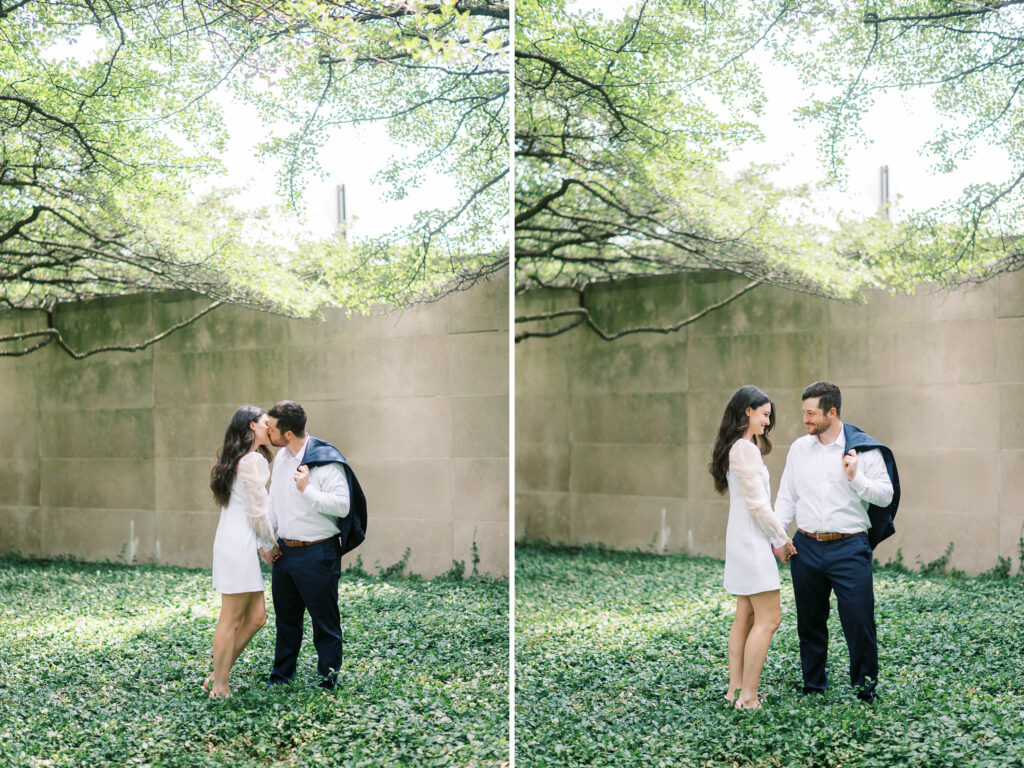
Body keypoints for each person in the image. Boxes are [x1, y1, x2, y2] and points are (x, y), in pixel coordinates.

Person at [774, 381, 898, 703]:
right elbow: (787, 498)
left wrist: (857, 477)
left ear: (832, 412)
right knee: (810, 624)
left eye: (811, 413)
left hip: (850, 547)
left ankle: (865, 691)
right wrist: (778, 537)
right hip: (806, 547)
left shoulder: (863, 450)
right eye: (803, 412)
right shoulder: (799, 449)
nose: (805, 419)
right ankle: (814, 687)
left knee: (859, 622)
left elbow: (886, 496)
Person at [709, 385, 796, 710]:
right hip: (753, 543)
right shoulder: (744, 449)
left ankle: (735, 691)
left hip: (743, 541)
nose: (767, 422)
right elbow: (758, 506)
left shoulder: (737, 448)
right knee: (770, 619)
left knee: (745, 615)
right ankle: (748, 697)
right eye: (764, 414)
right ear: (747, 411)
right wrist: (782, 539)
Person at [264, 400, 352, 690]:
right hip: (285, 553)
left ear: (287, 433)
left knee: (324, 623)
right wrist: (268, 541)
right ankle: (281, 678)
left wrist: (308, 490)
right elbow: (275, 502)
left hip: (318, 553)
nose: (267, 431)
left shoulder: (325, 460)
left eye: (272, 428)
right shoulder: (281, 460)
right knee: (286, 622)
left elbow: (342, 506)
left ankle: (327, 682)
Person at [206, 405, 279, 699]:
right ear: (251, 426)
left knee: (257, 617)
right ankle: (221, 686)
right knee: (231, 618)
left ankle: (216, 675)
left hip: (233, 542)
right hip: (240, 544)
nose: (269, 427)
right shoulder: (253, 461)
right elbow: (259, 513)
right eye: (265, 423)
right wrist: (270, 545)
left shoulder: (234, 459)